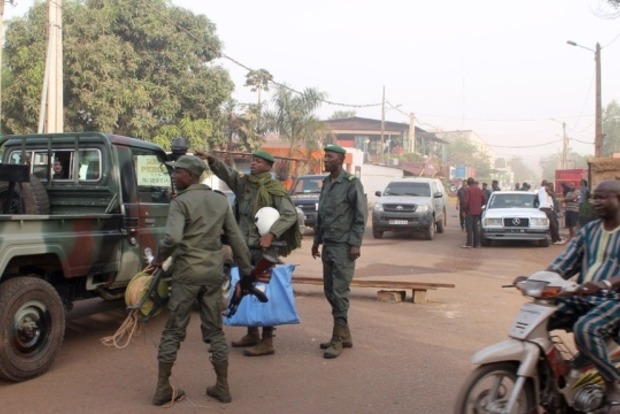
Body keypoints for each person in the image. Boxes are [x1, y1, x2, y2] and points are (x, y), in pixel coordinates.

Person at [152, 155, 253, 406]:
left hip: (186, 274)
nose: (174, 176)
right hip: (212, 274)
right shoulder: (220, 202)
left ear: (190, 175)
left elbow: (172, 238)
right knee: (214, 331)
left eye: (178, 172)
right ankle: (222, 387)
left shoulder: (181, 202)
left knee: (174, 330)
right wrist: (247, 270)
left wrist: (159, 258)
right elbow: (236, 239)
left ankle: (163, 388)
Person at [195, 149, 301, 357]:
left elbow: (290, 215)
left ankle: (267, 340)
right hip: (243, 247)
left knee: (263, 291)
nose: (254, 164)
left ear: (269, 167)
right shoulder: (243, 184)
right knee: (243, 288)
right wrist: (212, 160)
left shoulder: (273, 188)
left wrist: (272, 233)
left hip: (264, 249)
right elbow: (228, 174)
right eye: (253, 161)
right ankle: (252, 333)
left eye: (259, 162)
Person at [541, 180, 620, 412]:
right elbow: (563, 263)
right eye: (594, 197)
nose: (596, 202)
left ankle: (611, 383)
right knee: (542, 316)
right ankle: (553, 378)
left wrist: (605, 283)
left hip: (614, 300)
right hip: (583, 297)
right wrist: (538, 278)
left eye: (603, 197)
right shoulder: (589, 231)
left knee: (585, 328)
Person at [311, 144, 366, 359]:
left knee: (340, 293)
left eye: (330, 157)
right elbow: (322, 215)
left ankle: (337, 339)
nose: (325, 160)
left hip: (344, 247)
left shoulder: (351, 184)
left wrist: (355, 243)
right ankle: (345, 335)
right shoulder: (326, 183)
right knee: (329, 291)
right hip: (328, 244)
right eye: (325, 156)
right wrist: (316, 240)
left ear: (341, 160)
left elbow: (361, 215)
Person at [538, 180, 564, 245]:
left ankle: (555, 239)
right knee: (553, 225)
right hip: (547, 209)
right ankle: (556, 239)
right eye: (550, 186)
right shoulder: (544, 188)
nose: (551, 188)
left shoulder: (541, 191)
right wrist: (553, 194)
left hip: (546, 208)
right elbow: (551, 193)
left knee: (551, 225)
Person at [462, 177, 484, 248]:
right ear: (474, 182)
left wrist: (464, 210)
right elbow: (484, 199)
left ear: (468, 183)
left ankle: (469, 243)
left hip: (469, 211)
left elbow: (466, 201)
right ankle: (476, 243)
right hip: (477, 211)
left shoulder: (467, 190)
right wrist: (479, 206)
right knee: (475, 228)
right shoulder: (479, 189)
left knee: (469, 228)